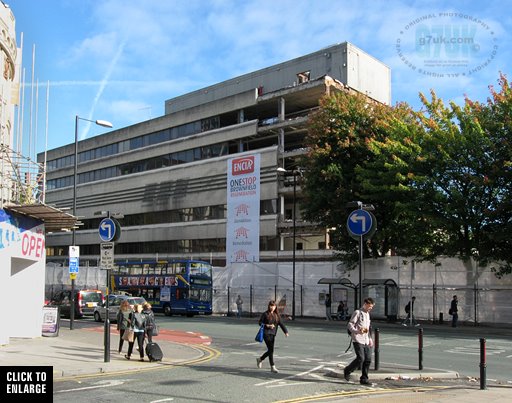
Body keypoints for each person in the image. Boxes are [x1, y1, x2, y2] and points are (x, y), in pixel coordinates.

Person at [344, 297, 375, 385]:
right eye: (370, 306)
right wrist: (357, 331)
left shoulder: (368, 314)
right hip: (357, 339)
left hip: (366, 340)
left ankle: (364, 379)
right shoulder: (358, 312)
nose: (371, 308)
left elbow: (368, 328)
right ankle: (347, 370)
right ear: (365, 304)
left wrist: (370, 339)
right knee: (361, 358)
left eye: (372, 307)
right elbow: (350, 325)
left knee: (368, 359)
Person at [256, 300, 289, 373]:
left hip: (273, 334)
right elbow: (260, 322)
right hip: (266, 333)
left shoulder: (276, 315)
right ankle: (272, 367)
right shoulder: (265, 314)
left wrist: (285, 332)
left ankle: (260, 359)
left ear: (275, 307)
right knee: (271, 350)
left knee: (271, 350)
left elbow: (281, 324)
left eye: (273, 306)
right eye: (271, 306)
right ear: (269, 306)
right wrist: (267, 325)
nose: (272, 307)